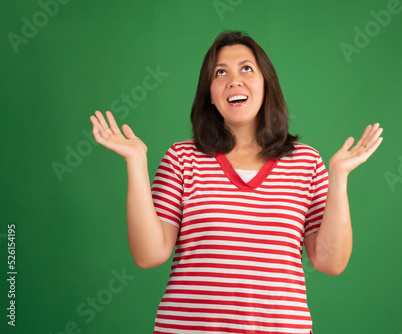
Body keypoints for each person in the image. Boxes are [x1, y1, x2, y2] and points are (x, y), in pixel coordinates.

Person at [89, 30, 383, 334]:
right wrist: (135, 163)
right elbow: (149, 255)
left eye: (246, 68)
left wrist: (339, 178)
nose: (234, 80)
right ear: (211, 96)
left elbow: (329, 262)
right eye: (220, 72)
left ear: (266, 84)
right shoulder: (181, 158)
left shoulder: (306, 162)